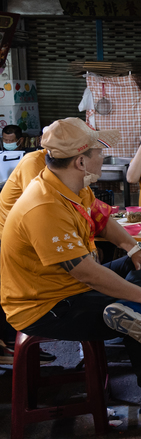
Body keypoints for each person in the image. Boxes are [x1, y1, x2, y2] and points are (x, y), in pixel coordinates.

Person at [0, 117, 141, 424]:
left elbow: (102, 219)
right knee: (137, 310)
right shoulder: (43, 205)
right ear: (82, 162)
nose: (104, 155)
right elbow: (85, 272)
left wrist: (134, 248)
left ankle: (128, 313)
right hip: (43, 306)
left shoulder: (70, 187)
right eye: (99, 150)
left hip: (70, 288)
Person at [0, 147, 49, 363]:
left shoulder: (55, 165)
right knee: (8, 289)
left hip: (20, 235)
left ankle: (17, 348)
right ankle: (12, 349)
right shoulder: (34, 162)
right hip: (9, 237)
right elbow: (39, 205)